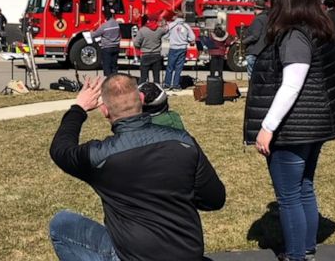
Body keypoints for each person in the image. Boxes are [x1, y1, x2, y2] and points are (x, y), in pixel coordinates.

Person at [49, 74, 226, 261]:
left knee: (61, 225)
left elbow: (60, 149)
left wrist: (78, 109)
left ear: (104, 110)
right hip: (187, 253)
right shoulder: (183, 142)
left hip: (134, 255)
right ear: (141, 99)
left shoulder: (100, 156)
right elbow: (215, 199)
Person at [244, 0, 335, 261]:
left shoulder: (294, 35)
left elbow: (292, 85)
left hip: (292, 129)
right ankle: (307, 248)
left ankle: (297, 255)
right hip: (314, 126)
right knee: (304, 188)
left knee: (288, 197)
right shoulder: (320, 26)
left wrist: (267, 128)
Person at [163, 11, 196, 90]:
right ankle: (176, 85)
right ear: (183, 17)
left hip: (173, 48)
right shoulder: (186, 26)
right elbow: (192, 38)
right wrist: (186, 40)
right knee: (178, 68)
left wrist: (171, 38)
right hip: (182, 48)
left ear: (176, 17)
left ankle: (167, 84)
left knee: (170, 67)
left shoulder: (171, 25)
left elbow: (165, 35)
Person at [133, 14, 167, 84]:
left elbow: (136, 43)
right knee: (156, 77)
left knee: (143, 77)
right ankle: (157, 91)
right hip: (156, 55)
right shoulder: (159, 30)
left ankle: (142, 90)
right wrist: (163, 22)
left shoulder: (142, 30)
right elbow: (166, 29)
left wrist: (140, 47)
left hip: (146, 55)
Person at [242, 0, 270, 79]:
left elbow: (255, 36)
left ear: (256, 9)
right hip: (263, 51)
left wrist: (243, 42)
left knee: (252, 78)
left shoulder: (258, 19)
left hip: (254, 51)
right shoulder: (267, 18)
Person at [91, 9, 121, 76]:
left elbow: (95, 34)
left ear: (106, 17)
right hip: (116, 47)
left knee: (107, 66)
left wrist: (91, 32)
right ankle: (115, 80)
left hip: (107, 48)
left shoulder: (104, 26)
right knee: (114, 65)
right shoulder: (117, 24)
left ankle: (108, 81)